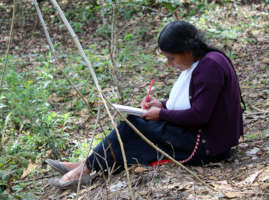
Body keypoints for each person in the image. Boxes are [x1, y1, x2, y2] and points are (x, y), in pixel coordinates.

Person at [47, 20, 244, 189]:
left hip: (207, 147)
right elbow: (198, 101)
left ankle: (85, 168)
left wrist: (161, 114)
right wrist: (163, 105)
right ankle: (86, 164)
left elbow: (199, 115)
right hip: (206, 139)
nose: (170, 63)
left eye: (171, 58)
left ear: (187, 50)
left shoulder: (210, 67)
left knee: (132, 125)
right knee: (134, 132)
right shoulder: (207, 61)